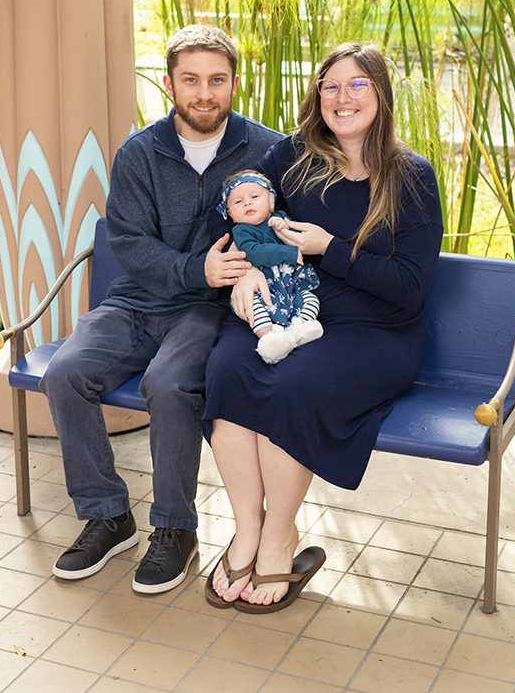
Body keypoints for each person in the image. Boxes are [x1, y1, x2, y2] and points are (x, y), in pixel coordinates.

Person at [203, 42, 444, 613]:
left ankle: (280, 537)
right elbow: (237, 212)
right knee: (227, 366)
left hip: (378, 331)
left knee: (295, 386)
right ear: (318, 96)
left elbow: (410, 287)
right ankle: (247, 529)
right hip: (293, 310)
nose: (343, 97)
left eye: (358, 84)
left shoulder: (410, 177)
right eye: (331, 85)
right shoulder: (293, 156)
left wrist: (328, 248)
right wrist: (240, 274)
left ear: (381, 95)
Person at [40, 25, 281, 594]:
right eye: (191, 80)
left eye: (216, 80)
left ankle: (175, 528)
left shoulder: (270, 150)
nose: (204, 93)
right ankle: (107, 515)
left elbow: (278, 233)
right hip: (138, 300)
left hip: (210, 312)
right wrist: (192, 268)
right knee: (65, 373)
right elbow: (128, 241)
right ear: (170, 83)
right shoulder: (139, 153)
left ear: (234, 83)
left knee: (170, 385)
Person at [217, 170, 323, 362]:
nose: (247, 203)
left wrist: (283, 226)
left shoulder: (281, 218)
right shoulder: (242, 231)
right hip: (263, 286)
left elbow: (296, 236)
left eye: (255, 197)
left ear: (271, 202)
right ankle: (270, 338)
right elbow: (253, 253)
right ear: (230, 214)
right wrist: (287, 253)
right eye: (238, 202)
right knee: (254, 308)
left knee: (310, 298)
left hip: (291, 284)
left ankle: (300, 328)